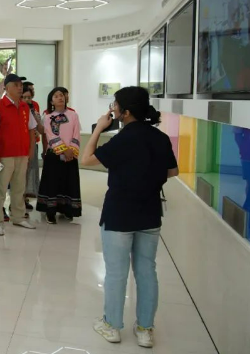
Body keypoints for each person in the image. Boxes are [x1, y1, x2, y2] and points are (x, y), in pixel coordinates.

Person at [82, 86, 179, 349]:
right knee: (147, 271)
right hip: (149, 213)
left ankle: (112, 326)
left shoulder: (122, 139)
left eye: (115, 105)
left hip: (119, 213)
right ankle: (145, 330)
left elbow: (86, 158)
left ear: (124, 112)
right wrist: (147, 176)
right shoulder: (160, 138)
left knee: (116, 273)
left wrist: (99, 128)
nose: (112, 109)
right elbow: (173, 171)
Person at [0, 74, 37, 235]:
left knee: (19, 187)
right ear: (7, 87)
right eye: (16, 85)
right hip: (4, 155)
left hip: (22, 154)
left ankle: (18, 217)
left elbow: (31, 129)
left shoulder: (24, 107)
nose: (20, 87)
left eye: (21, 85)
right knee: (0, 189)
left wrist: (30, 150)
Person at [36, 87, 82, 224]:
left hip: (71, 155)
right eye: (56, 96)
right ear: (51, 101)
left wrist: (71, 151)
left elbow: (76, 134)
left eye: (61, 95)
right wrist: (63, 150)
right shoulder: (48, 117)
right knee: (52, 183)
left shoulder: (73, 115)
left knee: (68, 182)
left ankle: (67, 210)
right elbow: (50, 135)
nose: (60, 97)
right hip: (54, 155)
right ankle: (50, 212)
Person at [22, 81, 45, 212]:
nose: (27, 99)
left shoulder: (35, 106)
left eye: (29, 96)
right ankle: (17, 201)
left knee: (30, 172)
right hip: (21, 144)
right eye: (25, 97)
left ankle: (25, 199)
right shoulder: (18, 107)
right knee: (21, 173)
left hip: (33, 143)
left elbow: (39, 126)